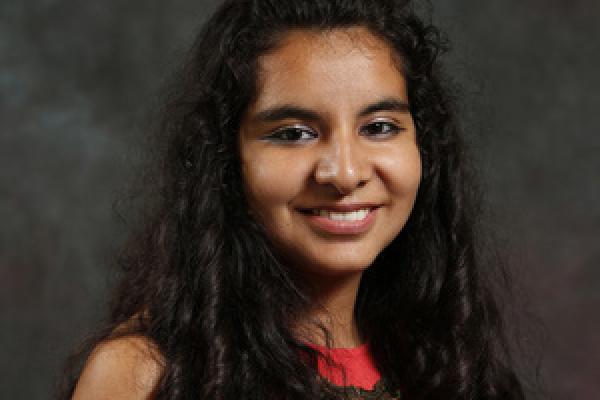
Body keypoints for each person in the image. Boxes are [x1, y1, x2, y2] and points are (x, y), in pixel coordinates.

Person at [62, 0, 526, 399]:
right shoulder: (148, 373)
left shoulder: (448, 364)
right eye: (294, 133)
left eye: (379, 127)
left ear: (423, 148)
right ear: (226, 160)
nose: (344, 173)